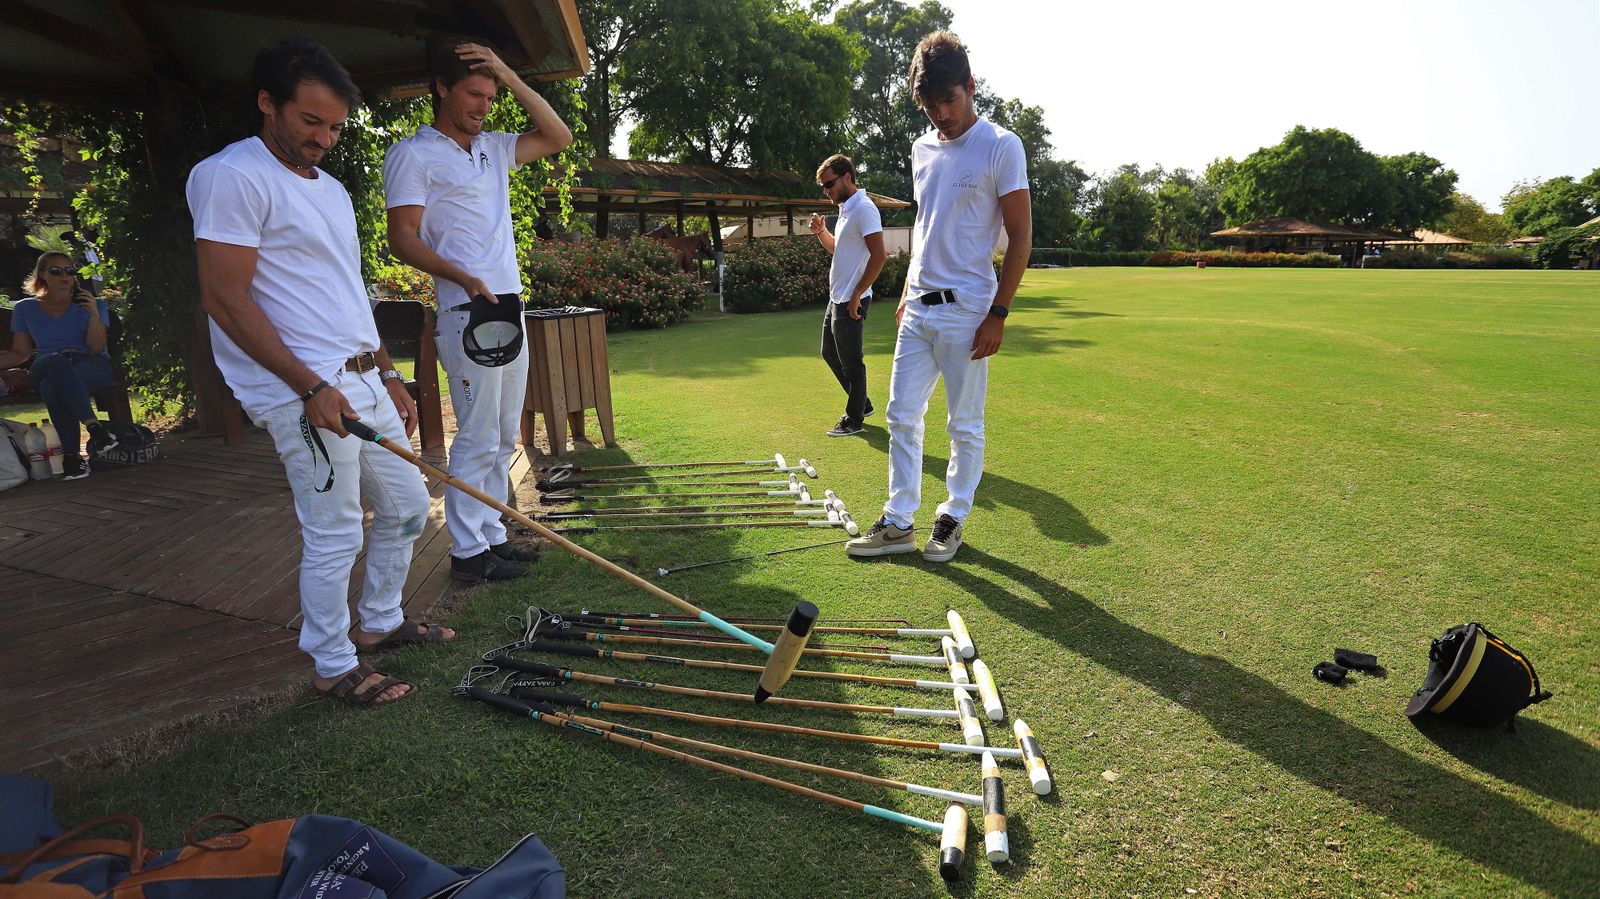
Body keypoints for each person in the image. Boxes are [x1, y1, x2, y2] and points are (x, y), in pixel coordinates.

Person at [187, 37, 447, 706]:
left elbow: (347, 291)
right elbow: (224, 297)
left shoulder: (330, 189)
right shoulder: (231, 175)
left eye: (334, 127)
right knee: (334, 528)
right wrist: (310, 386)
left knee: (407, 506)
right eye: (310, 121)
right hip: (301, 387)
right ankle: (332, 662)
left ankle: (380, 620)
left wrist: (389, 374)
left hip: (361, 377)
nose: (324, 139)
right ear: (266, 102)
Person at [383, 41, 573, 583]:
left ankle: (491, 535)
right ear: (441, 88)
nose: (484, 107)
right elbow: (402, 238)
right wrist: (463, 276)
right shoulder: (412, 155)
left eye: (490, 97)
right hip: (466, 310)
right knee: (475, 435)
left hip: (509, 305)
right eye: (474, 94)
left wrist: (508, 75)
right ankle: (468, 554)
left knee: (502, 433)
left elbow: (558, 136)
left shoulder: (494, 146)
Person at [846, 31, 1032, 563]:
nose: (941, 115)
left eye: (948, 100)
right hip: (918, 308)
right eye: (930, 106)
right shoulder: (922, 149)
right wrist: (907, 291)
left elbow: (1021, 236)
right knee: (901, 415)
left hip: (970, 310)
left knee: (963, 424)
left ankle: (952, 517)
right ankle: (899, 522)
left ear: (970, 87)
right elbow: (927, 225)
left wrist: (999, 313)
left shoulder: (1001, 145)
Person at [0, 252, 120, 480]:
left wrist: (94, 315)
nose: (64, 276)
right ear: (42, 274)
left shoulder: (94, 305)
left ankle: (73, 459)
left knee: (51, 387)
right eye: (56, 271)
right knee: (55, 360)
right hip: (47, 365)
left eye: (69, 271)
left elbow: (96, 347)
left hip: (90, 365)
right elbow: (21, 353)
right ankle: (94, 428)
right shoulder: (26, 308)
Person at [809, 154, 886, 438]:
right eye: (823, 186)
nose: (826, 191)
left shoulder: (864, 209)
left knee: (852, 361)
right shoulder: (845, 210)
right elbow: (837, 249)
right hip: (838, 297)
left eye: (829, 184)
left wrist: (857, 294)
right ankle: (862, 403)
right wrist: (821, 232)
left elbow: (879, 256)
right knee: (829, 352)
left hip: (852, 298)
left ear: (847, 178)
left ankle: (854, 419)